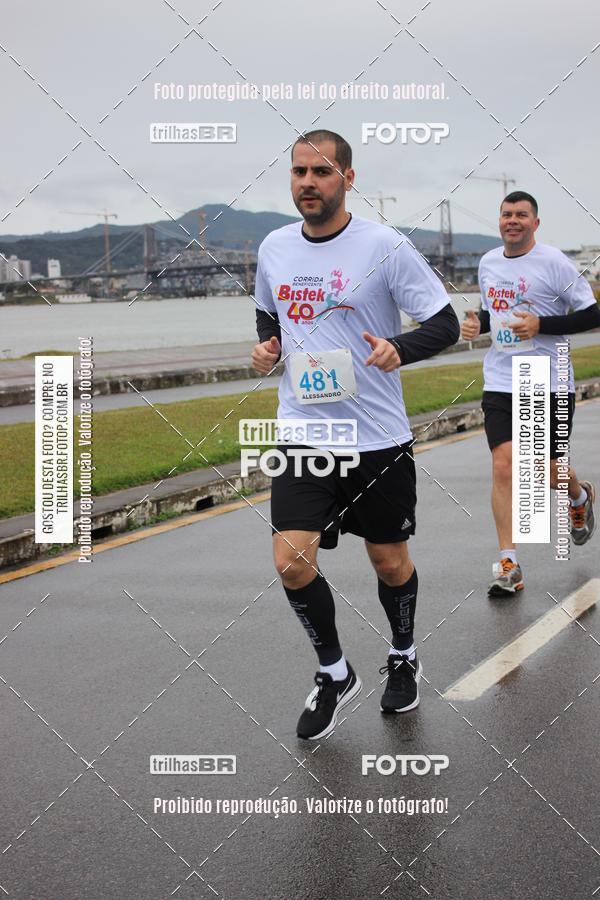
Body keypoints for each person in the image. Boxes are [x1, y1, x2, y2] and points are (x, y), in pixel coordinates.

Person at [251, 129, 459, 740]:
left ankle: (403, 654)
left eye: (319, 172)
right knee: (291, 562)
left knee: (388, 560)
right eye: (297, 173)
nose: (306, 184)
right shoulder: (273, 247)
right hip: (305, 433)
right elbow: (271, 312)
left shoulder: (385, 247)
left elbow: (444, 322)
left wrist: (399, 347)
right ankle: (334, 672)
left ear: (348, 177)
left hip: (377, 438)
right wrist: (268, 348)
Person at [461, 191, 599, 597]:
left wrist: (542, 326)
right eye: (507, 215)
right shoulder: (488, 263)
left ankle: (577, 496)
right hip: (502, 380)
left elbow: (592, 314)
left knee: (544, 471)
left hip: (549, 379)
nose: (513, 221)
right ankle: (509, 564)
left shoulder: (554, 262)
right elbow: (493, 314)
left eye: (522, 215)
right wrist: (477, 324)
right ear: (499, 221)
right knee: (505, 466)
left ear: (535, 223)